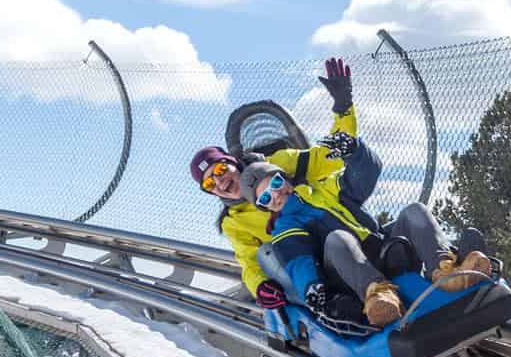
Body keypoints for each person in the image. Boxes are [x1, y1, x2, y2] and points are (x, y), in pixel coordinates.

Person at [190, 57, 491, 330]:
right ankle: (375, 298)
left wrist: (345, 117)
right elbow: (277, 261)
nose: (218, 182)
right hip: (328, 263)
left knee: (413, 211)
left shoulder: (308, 181)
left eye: (218, 171)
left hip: (371, 244)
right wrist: (282, 289)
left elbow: (337, 161)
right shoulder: (264, 224)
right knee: (302, 248)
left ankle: (450, 271)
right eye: (208, 184)